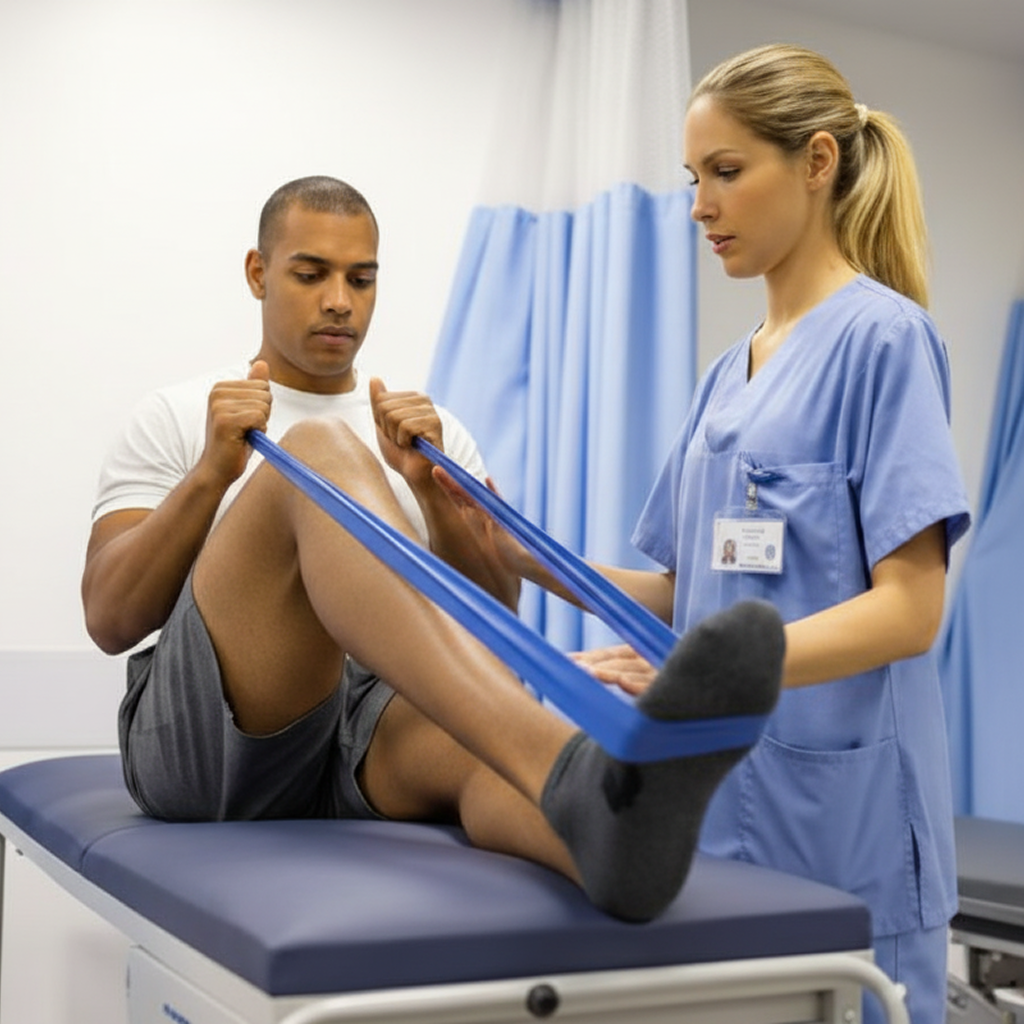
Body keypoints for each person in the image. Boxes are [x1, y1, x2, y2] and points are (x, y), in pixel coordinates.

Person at [81, 175, 785, 925]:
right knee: (319, 448)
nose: (339, 301)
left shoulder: (432, 431)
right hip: (212, 752)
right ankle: (576, 761)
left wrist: (437, 498)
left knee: (484, 746)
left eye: (361, 278)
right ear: (259, 273)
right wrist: (211, 474)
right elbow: (111, 617)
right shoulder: (183, 414)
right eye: (310, 274)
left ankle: (607, 839)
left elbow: (489, 626)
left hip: (369, 739)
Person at [466, 45, 970, 1021]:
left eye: (726, 173)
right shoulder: (724, 374)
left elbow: (910, 611)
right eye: (694, 178)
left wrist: (705, 679)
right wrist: (520, 553)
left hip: (846, 827)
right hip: (723, 815)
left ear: (816, 162)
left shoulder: (883, 341)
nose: (699, 205)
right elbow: (686, 594)